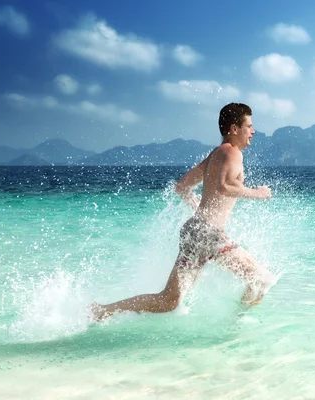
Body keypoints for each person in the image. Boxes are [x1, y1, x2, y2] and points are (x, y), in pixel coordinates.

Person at [91, 103, 276, 321]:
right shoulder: (233, 152)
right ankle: (236, 329)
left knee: (169, 301)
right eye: (249, 126)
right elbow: (224, 186)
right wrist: (258, 193)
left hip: (195, 231)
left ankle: (102, 311)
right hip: (208, 234)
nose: (253, 131)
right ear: (235, 129)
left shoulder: (216, 154)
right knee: (262, 279)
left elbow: (181, 186)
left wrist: (200, 209)